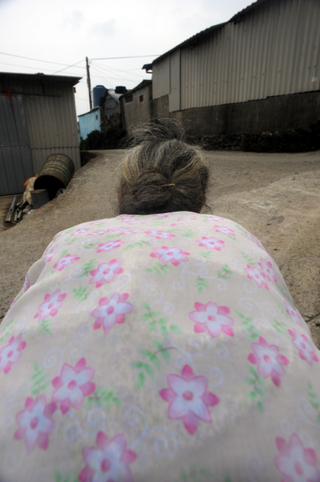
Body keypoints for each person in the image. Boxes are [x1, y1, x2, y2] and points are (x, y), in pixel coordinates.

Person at [0, 120, 319, 482]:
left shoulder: (69, 240)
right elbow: (287, 319)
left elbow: (15, 320)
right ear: (201, 196)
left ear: (122, 193)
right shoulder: (234, 235)